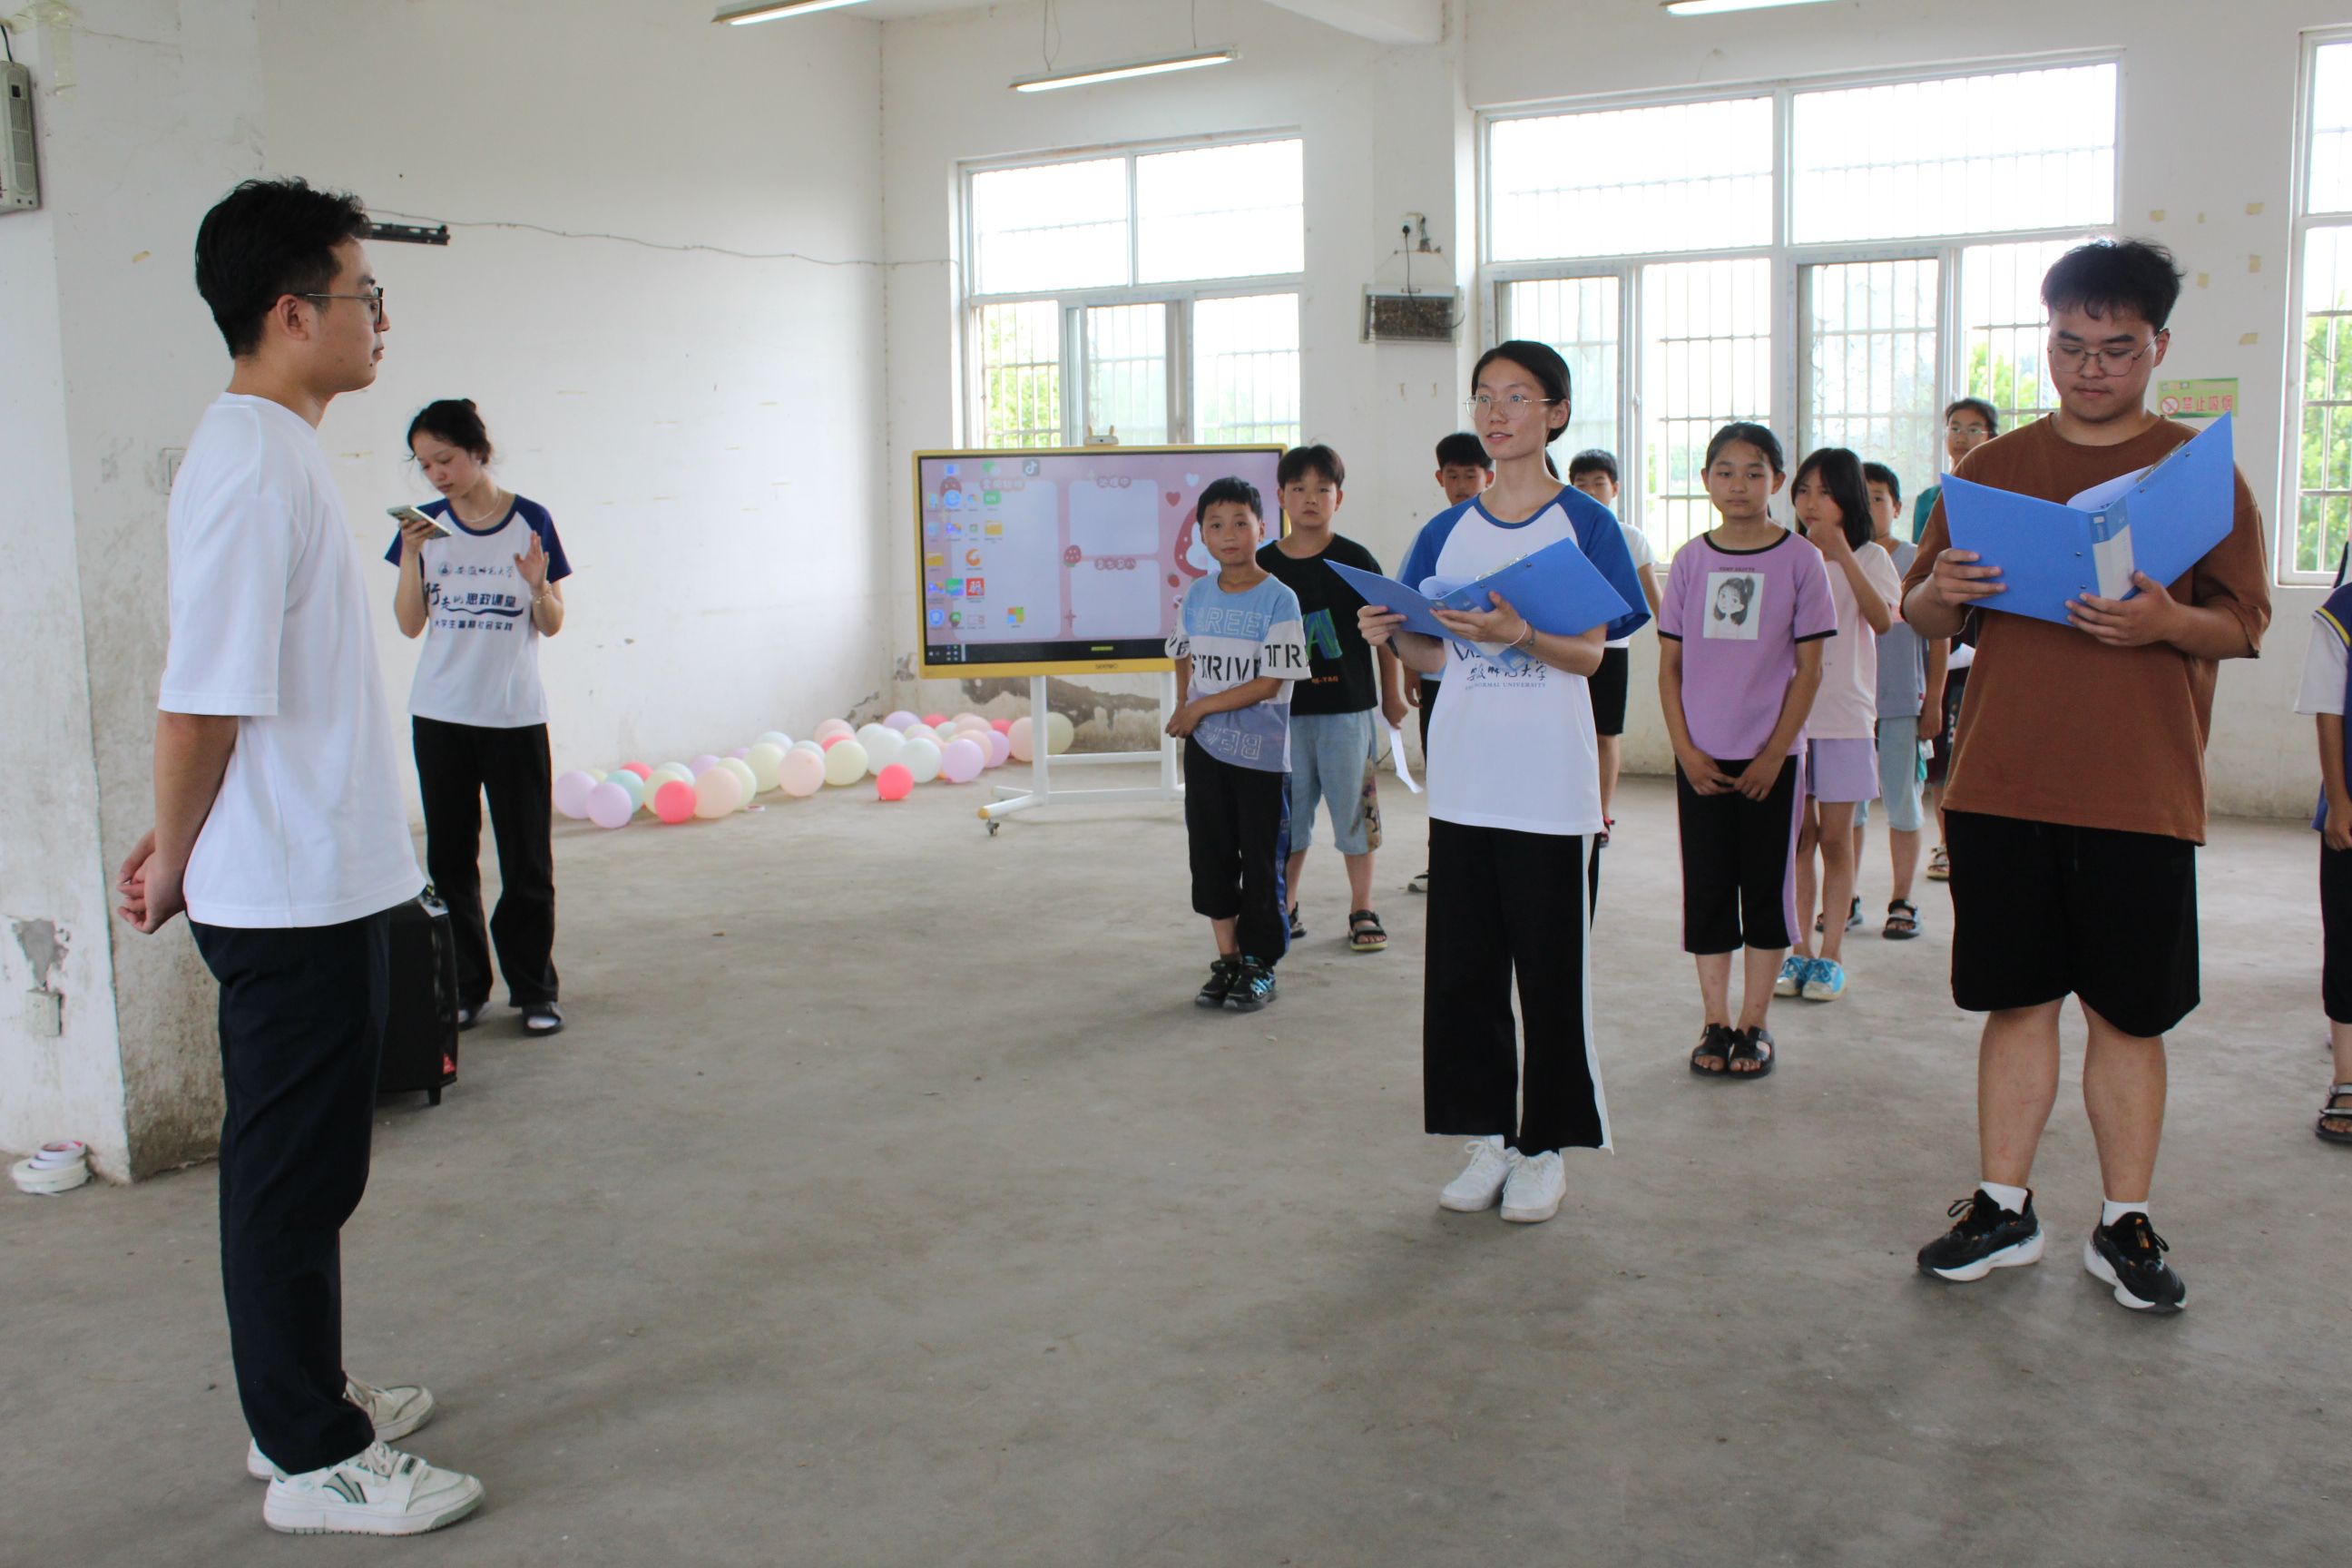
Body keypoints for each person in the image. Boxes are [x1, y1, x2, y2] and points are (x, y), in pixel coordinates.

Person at [113, 177, 484, 1536]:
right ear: (289, 313)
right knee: (286, 1176)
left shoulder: (275, 451)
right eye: (362, 294)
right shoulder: (247, 463)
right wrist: (179, 854)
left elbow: (238, 699)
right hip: (281, 893)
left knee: (318, 1168)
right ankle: (309, 1457)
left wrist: (183, 826)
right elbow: (199, 699)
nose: (378, 319)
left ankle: (309, 1398)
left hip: (315, 869)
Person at [1905, 239, 2269, 1313]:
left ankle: (2125, 1221)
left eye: (2117, 348)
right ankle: (2002, 1205)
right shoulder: (1991, 469)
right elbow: (1919, 610)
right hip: (2002, 782)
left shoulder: (2197, 477)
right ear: (2049, 341)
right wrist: (1945, 589)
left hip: (2139, 790)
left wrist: (2167, 623)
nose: (2091, 367)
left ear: (2159, 347)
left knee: (2129, 1016)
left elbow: (2244, 623)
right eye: (2070, 345)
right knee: (2016, 1001)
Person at [1358, 340, 1643, 1226]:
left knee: (1551, 977)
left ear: (1555, 414)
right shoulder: (1445, 531)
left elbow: (1590, 656)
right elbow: (1435, 656)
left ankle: (1544, 1147)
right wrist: (1390, 634)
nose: (1496, 412)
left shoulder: (1584, 525)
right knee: (1465, 976)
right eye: (1485, 395)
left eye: (1517, 397)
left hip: (1549, 789)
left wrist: (1518, 634)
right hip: (1466, 781)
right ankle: (1489, 1137)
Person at [388, 399, 573, 1036]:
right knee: (449, 860)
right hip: (440, 715)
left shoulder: (531, 520)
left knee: (527, 860)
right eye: (425, 465)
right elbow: (409, 624)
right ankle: (466, 989)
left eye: (445, 459)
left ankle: (535, 990)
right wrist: (410, 557)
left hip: (513, 716)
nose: (436, 474)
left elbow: (552, 622)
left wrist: (538, 584)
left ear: (478, 452)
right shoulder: (425, 528)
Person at [1658, 424, 1836, 1078]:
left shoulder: (1801, 560)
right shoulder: (1690, 560)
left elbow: (1810, 670)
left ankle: (1755, 1025)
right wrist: (1684, 750)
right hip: (1700, 759)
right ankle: (1715, 1021)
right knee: (1707, 889)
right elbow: (1669, 669)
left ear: (1777, 482)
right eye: (1725, 472)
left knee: (1766, 890)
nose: (1739, 485)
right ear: (1707, 480)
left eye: (1754, 472)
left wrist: (1773, 753)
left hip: (1773, 760)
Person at [1259, 445, 1408, 953]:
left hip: (1348, 713)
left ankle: (1362, 908)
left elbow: (1386, 635)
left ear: (1338, 498)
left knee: (1356, 814)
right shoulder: (1262, 566)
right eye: (1298, 488)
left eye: (1322, 489)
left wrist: (1392, 695)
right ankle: (1286, 905)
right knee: (1289, 819)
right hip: (1282, 718)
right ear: (1281, 496)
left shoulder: (1356, 561)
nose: (1310, 498)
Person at [1169, 478, 1310, 1012]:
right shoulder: (1197, 594)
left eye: (1240, 523)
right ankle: (1227, 958)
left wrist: (1198, 708)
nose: (1229, 534)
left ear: (1262, 528)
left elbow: (1271, 683)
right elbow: (1182, 651)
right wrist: (1186, 700)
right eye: (1216, 525)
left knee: (1262, 859)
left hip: (1261, 757)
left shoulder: (1280, 598)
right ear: (1202, 535)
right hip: (1206, 752)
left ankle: (1260, 964)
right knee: (1210, 855)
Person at [1777, 448, 1900, 1004]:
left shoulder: (1872, 557)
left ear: (1848, 498)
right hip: (1791, 716)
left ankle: (1831, 955)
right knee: (1798, 839)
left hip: (1846, 716)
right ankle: (1798, 948)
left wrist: (1842, 553)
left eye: (1825, 492)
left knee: (1835, 838)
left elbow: (1882, 621)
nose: (1811, 503)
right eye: (1803, 491)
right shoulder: (1786, 554)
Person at [1852, 462, 1945, 938]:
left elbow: (1939, 636)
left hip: (1903, 702)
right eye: (1860, 497)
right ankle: (1844, 898)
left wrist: (1934, 702)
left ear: (1897, 507)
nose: (1869, 507)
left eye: (1878, 498)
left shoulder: (1915, 561)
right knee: (1847, 808)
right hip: (1849, 707)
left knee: (1904, 804)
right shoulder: (1838, 558)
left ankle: (1903, 900)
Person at [1407, 433, 1495, 896]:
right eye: (1453, 476)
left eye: (1470, 475)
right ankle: (1441, 861)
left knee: (1491, 770)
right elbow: (1406, 608)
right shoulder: (1433, 533)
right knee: (1444, 772)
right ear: (1439, 478)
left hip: (1498, 680)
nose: (1461, 485)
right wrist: (1411, 670)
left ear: (1489, 477)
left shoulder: (1507, 530)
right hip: (1440, 677)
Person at [1917, 399, 1999, 883]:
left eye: (1974, 429)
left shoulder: (2005, 494)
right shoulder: (1931, 498)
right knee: (1944, 749)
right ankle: (1947, 844)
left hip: (1994, 625)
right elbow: (1921, 574)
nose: (1962, 437)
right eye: (1955, 428)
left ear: (1993, 437)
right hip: (1948, 628)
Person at [1565, 449, 1665, 843]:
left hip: (1613, 647)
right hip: (1564, 648)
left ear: (1615, 488)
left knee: (1606, 734)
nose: (1591, 491)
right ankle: (1570, 809)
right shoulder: (1561, 533)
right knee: (1568, 731)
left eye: (1599, 483)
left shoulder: (1630, 537)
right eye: (1581, 484)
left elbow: (1654, 596)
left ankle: (1601, 815)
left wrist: (1673, 640)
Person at [2291, 561, 2352, 1144]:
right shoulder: (2342, 612)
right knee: (2348, 942)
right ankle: (2347, 1080)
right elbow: (2328, 710)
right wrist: (2338, 799)